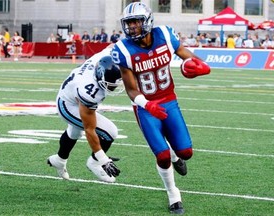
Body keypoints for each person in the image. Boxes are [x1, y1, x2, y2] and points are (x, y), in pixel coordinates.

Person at [111, 2, 210, 214]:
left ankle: (178, 158)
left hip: (169, 100)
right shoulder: (123, 50)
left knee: (186, 151)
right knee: (162, 155)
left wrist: (202, 66)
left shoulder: (164, 35)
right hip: (146, 107)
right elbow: (130, 90)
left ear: (147, 21)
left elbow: (185, 54)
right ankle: (174, 195)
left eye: (136, 22)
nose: (132, 27)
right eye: (129, 23)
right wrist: (147, 104)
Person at [47, 45, 124, 183]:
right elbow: (90, 129)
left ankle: (59, 160)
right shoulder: (90, 91)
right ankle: (94, 162)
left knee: (74, 131)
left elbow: (114, 46)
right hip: (67, 105)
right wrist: (102, 159)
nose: (115, 87)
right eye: (111, 84)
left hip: (71, 93)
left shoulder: (103, 58)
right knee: (109, 132)